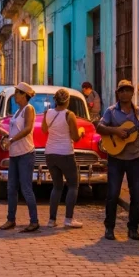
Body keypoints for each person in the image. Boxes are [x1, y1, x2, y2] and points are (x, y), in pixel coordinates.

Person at [97, 80, 139, 241]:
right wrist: (116, 130)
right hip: (116, 158)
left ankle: (133, 228)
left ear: (132, 93)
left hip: (134, 158)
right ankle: (109, 228)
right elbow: (99, 127)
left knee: (136, 195)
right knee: (113, 194)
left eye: (128, 90)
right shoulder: (111, 111)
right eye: (122, 90)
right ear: (118, 93)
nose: (125, 93)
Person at [0, 82, 40, 232]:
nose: (15, 95)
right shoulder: (17, 111)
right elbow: (14, 133)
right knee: (11, 188)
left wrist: (12, 140)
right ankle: (10, 219)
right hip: (14, 154)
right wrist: (3, 132)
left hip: (26, 154)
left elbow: (28, 129)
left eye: (17, 93)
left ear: (23, 95)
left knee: (26, 188)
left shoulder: (29, 109)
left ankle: (34, 221)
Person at [41, 88, 84, 228]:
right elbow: (75, 137)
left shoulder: (47, 113)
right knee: (73, 185)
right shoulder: (69, 115)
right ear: (68, 101)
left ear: (55, 100)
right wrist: (82, 132)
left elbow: (43, 130)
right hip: (65, 153)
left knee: (57, 186)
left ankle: (51, 220)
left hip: (50, 153)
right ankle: (68, 219)